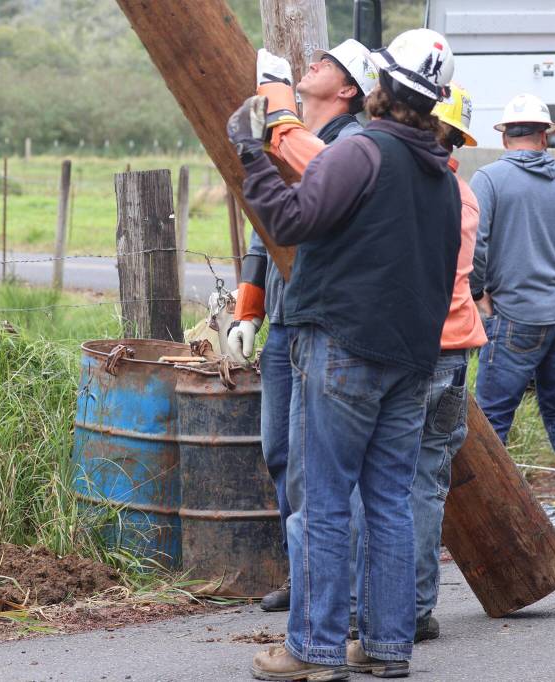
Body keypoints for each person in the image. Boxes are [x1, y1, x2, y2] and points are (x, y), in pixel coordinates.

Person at [227, 28, 458, 681]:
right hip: (409, 359)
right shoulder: (438, 172)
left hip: (341, 348)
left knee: (323, 501)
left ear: (379, 89)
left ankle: (313, 649)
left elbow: (293, 221)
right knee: (387, 500)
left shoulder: (362, 150)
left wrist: (251, 153)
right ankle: (386, 648)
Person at [225, 39, 379, 613]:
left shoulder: (350, 149)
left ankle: (345, 592)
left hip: (326, 326)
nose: (312, 63)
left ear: (348, 90)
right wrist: (248, 311)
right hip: (286, 326)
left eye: (327, 63)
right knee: (282, 456)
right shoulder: (287, 142)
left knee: (329, 469)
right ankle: (306, 573)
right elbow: (267, 229)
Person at [469, 93, 555, 529]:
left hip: (515, 318)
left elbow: (476, 246)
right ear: (545, 134)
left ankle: (488, 518)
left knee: (491, 419)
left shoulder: (488, 180)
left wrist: (478, 295)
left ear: (505, 135)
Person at [408, 83, 487, 641]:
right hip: (455, 349)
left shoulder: (413, 187)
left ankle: (385, 610)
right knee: (427, 480)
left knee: (388, 481)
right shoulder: (462, 193)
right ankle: (415, 608)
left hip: (410, 348)